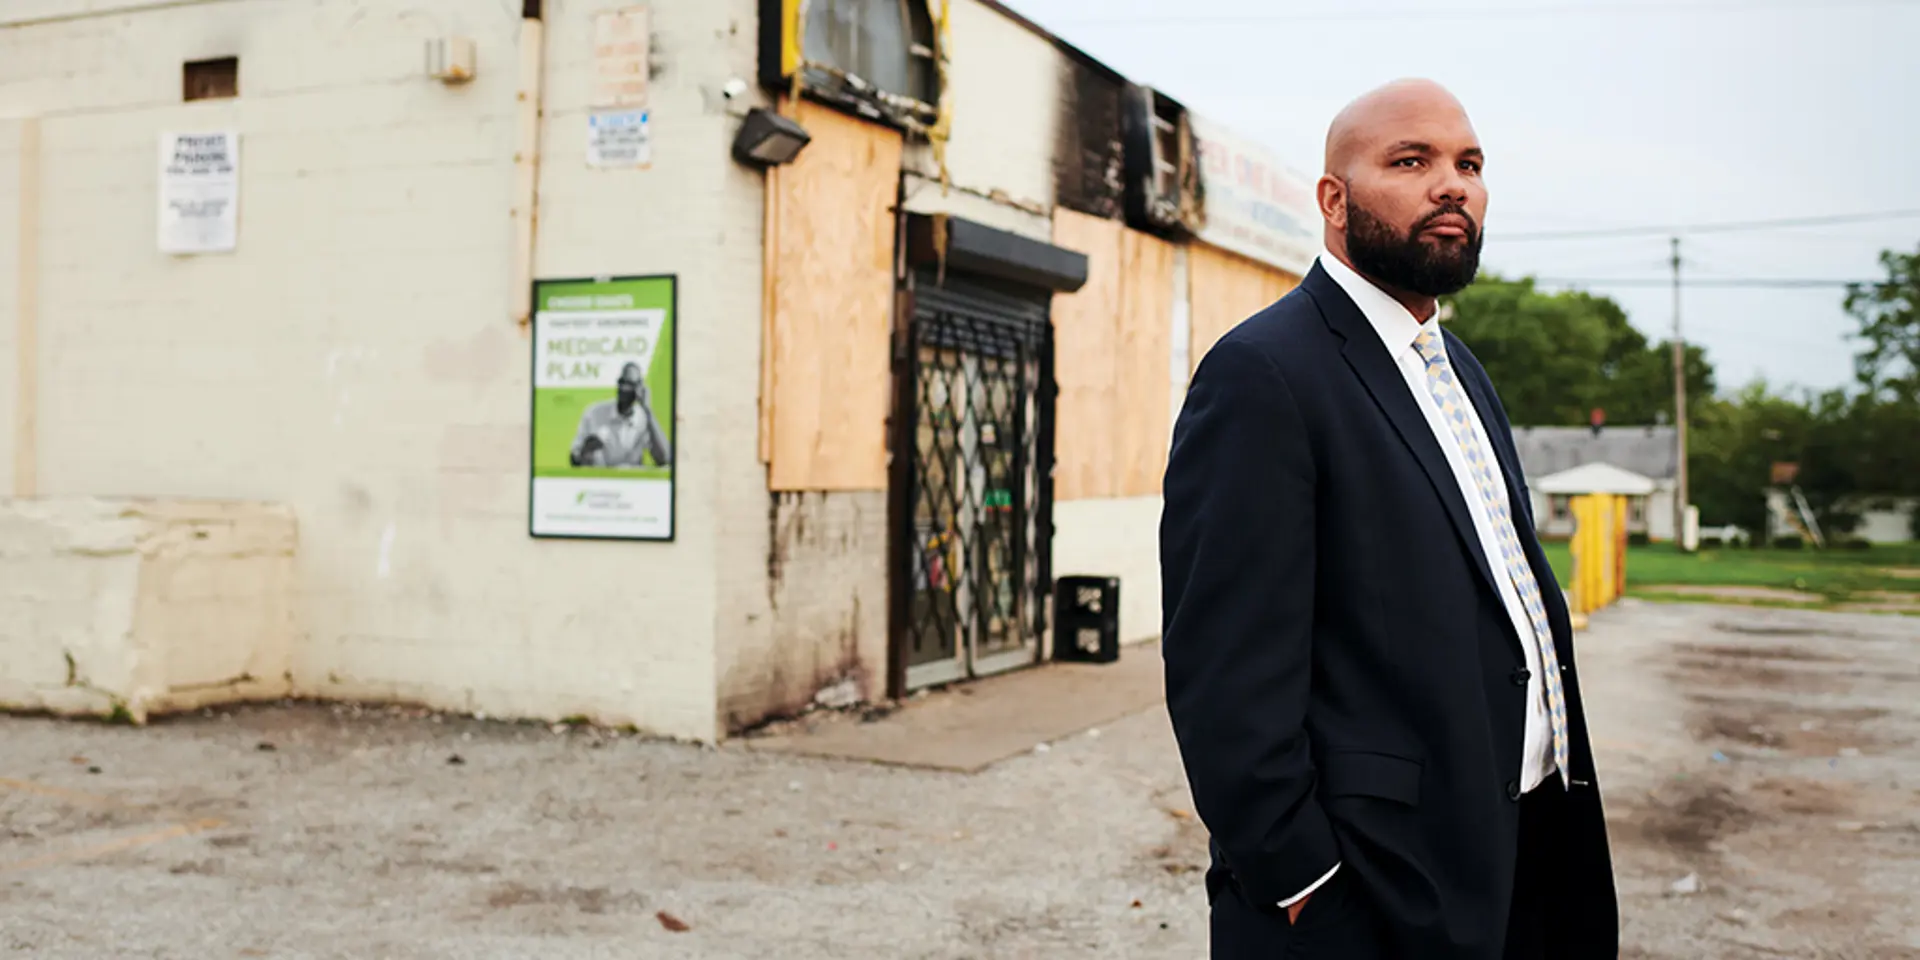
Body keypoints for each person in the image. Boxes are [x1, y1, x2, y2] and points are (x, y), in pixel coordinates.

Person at [1159, 79, 1619, 959]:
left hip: (1516, 850)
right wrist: (1301, 881)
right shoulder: (1264, 372)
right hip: (1368, 888)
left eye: (1469, 164)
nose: (1452, 185)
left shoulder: (1460, 371)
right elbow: (1224, 672)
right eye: (1411, 161)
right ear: (1334, 199)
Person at [570, 362, 672, 468]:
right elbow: (574, 459)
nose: (623, 388)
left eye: (630, 385)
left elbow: (665, 459)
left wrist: (647, 410)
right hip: (602, 478)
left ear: (639, 388)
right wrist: (587, 450)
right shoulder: (594, 413)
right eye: (621, 383)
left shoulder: (643, 418)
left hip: (631, 480)